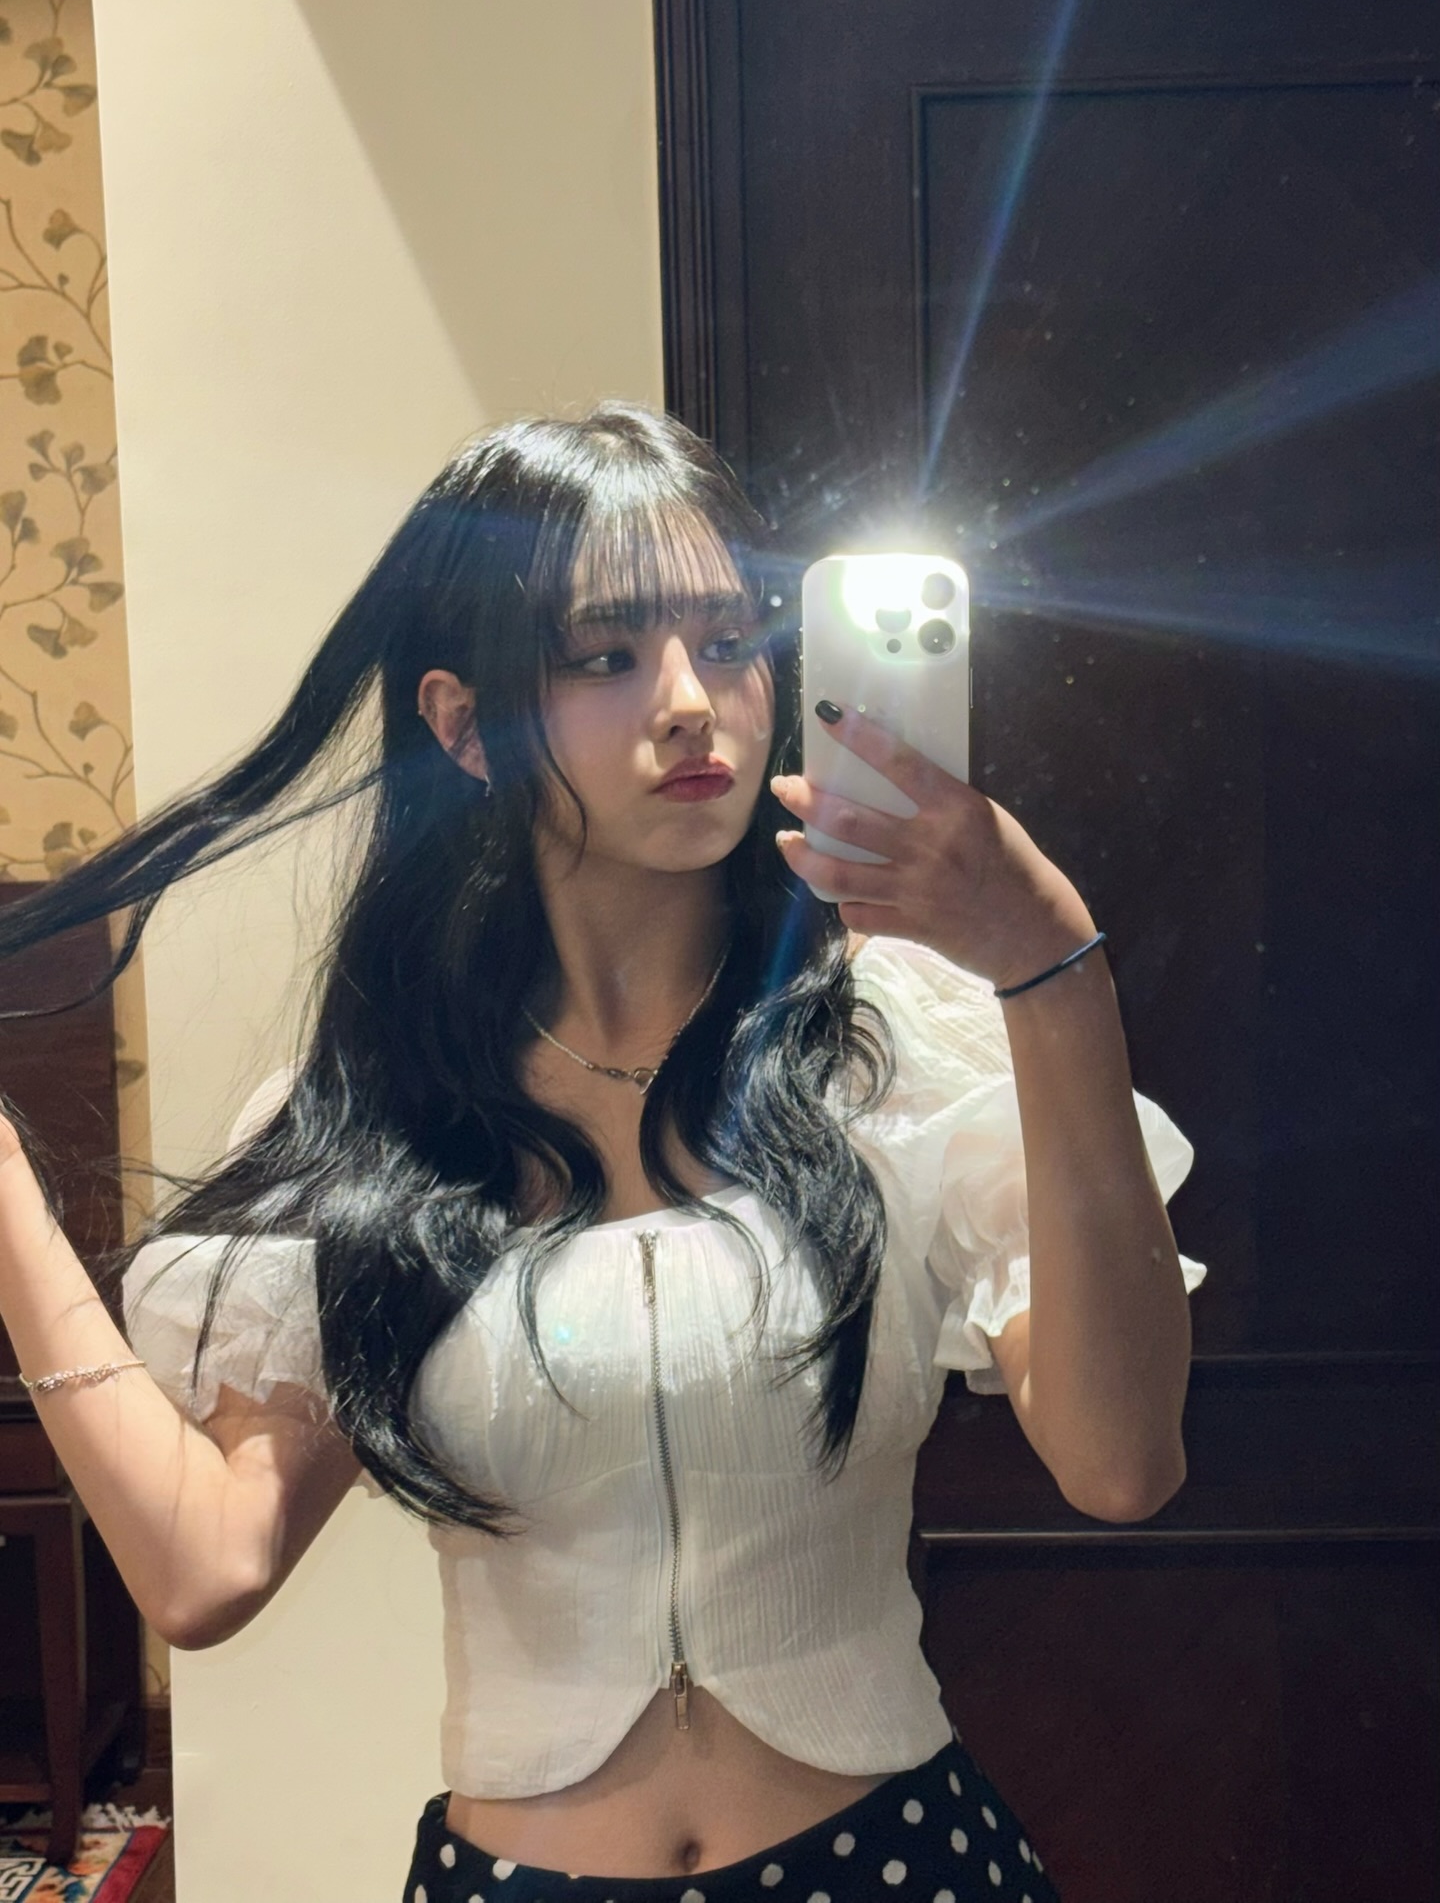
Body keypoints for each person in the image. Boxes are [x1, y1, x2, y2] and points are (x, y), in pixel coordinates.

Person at [0, 403, 1204, 1901]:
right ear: (462, 724)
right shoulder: (380, 1115)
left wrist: (1051, 972)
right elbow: (207, 1568)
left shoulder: (895, 1047)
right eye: (605, 654)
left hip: (899, 1866)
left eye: (728, 638)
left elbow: (1121, 1462)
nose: (692, 701)